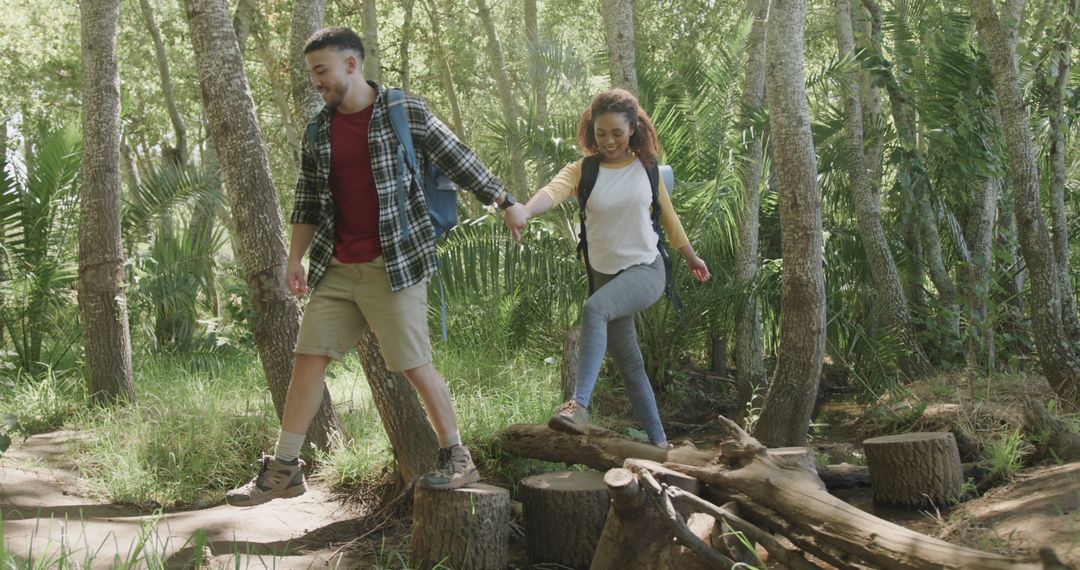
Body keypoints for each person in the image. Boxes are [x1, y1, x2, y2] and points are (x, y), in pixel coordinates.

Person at [226, 27, 527, 506]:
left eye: (321, 71)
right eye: (311, 74)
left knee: (415, 366)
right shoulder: (318, 130)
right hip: (337, 267)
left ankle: (458, 456)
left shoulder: (402, 111)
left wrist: (505, 201)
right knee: (308, 359)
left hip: (395, 265)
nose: (316, 82)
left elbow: (458, 158)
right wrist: (295, 258)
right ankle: (285, 468)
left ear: (351, 64)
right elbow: (307, 201)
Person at [503, 89, 710, 448]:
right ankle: (661, 445)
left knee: (595, 309)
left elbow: (669, 218)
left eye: (617, 133)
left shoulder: (647, 169)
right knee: (630, 364)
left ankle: (578, 406)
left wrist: (691, 257)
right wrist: (525, 210)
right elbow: (551, 192)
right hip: (604, 275)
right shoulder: (584, 170)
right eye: (601, 133)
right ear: (591, 131)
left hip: (646, 270)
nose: (609, 141)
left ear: (633, 129)